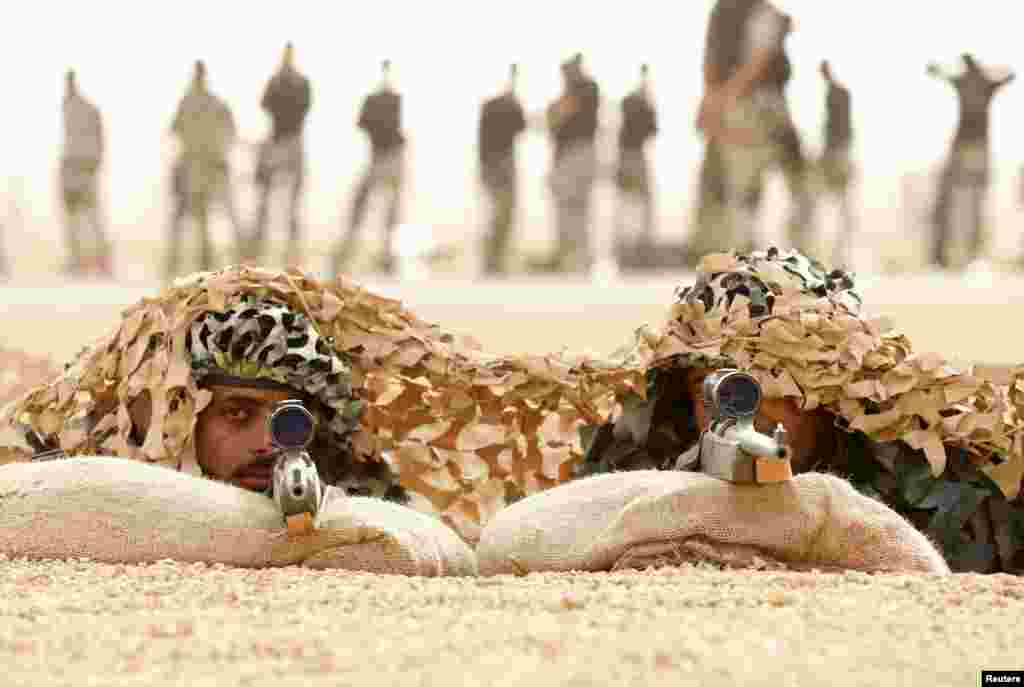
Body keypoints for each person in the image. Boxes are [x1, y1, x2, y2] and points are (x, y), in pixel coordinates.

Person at [545, 247, 1023, 574]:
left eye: (776, 383)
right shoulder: (643, 469)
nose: (735, 413)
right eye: (708, 386)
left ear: (830, 396)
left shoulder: (926, 485)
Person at [0, 265, 481, 574]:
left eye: (289, 420)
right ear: (184, 419)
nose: (266, 443)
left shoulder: (365, 511)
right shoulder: (112, 484)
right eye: (237, 413)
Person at [695, 0, 814, 256]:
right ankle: (782, 256)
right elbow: (757, 58)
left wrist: (713, 101)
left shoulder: (728, 10)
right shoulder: (757, 11)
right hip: (756, 105)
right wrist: (722, 98)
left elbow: (711, 62)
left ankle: (747, 256)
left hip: (739, 105)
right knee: (769, 186)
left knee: (745, 190)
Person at [927, 53, 1015, 270]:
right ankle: (956, 256)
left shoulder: (974, 82)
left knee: (968, 203)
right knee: (964, 203)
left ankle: (963, 256)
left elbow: (1010, 74)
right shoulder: (982, 83)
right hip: (970, 149)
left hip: (972, 149)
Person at [166, 60, 245, 281]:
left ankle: (193, 265)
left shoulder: (189, 102)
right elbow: (231, 131)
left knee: (199, 220)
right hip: (202, 168)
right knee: (201, 220)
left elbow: (175, 131)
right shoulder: (210, 103)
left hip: (199, 169)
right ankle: (198, 265)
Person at [330, 60, 406, 276]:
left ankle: (384, 259)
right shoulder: (386, 99)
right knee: (371, 210)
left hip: (387, 157)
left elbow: (365, 124)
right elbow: (365, 124)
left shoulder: (388, 99)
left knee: (385, 212)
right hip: (382, 156)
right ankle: (364, 258)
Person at [532, 53, 601, 274]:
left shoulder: (584, 89)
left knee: (573, 207)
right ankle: (573, 256)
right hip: (572, 155)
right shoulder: (581, 91)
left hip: (576, 154)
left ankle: (575, 256)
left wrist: (552, 113)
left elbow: (560, 115)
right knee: (573, 207)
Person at [248, 42, 313, 268]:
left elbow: (265, 104)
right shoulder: (298, 82)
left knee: (281, 204)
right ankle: (273, 254)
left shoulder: (279, 81)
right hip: (287, 141)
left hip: (283, 141)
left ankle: (283, 255)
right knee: (273, 203)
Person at [60, 69, 112, 277]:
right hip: (79, 167)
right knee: (82, 218)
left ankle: (97, 261)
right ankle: (83, 261)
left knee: (88, 217)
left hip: (80, 168)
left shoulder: (79, 108)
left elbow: (99, 137)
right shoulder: (75, 107)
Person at [477, 63, 527, 276]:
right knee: (501, 212)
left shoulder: (492, 105)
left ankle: (494, 259)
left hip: (495, 162)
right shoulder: (504, 105)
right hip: (500, 163)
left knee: (500, 213)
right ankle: (492, 259)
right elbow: (521, 126)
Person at [613, 64, 659, 267]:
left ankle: (634, 250)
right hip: (631, 155)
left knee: (633, 205)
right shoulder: (636, 101)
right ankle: (633, 251)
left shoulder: (630, 101)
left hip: (630, 154)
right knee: (634, 204)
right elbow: (651, 129)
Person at [816, 60, 856, 269]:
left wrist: (831, 152)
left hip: (837, 153)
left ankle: (840, 256)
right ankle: (838, 256)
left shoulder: (837, 93)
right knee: (839, 208)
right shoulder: (838, 93)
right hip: (839, 152)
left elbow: (836, 128)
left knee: (838, 207)